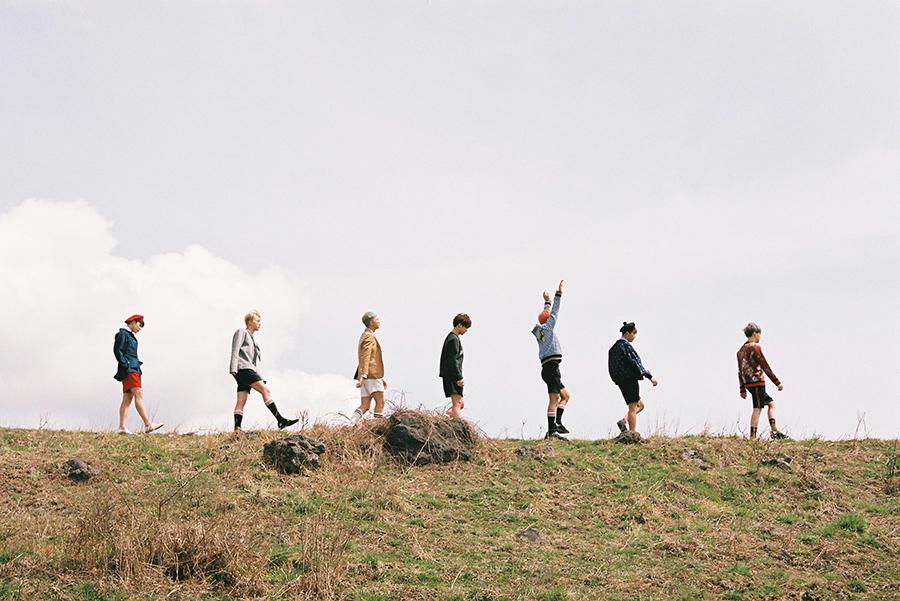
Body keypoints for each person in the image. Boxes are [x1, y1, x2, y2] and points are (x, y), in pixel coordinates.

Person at [229, 310, 299, 433]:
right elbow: (235, 350)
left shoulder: (254, 340)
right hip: (243, 369)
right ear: (250, 322)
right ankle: (280, 420)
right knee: (265, 391)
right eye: (257, 321)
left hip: (247, 370)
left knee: (241, 400)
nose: (259, 324)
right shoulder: (241, 332)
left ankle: (237, 430)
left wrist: (260, 377)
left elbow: (253, 362)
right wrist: (233, 369)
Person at [531, 280, 571, 440]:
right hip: (551, 367)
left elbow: (546, 314)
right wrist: (558, 293)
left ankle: (558, 423)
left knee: (565, 396)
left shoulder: (540, 329)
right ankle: (551, 430)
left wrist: (545, 301)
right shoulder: (548, 328)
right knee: (554, 399)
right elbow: (554, 312)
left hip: (550, 368)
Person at [113, 314, 163, 434]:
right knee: (138, 393)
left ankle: (122, 427)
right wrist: (126, 364)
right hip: (130, 368)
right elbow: (117, 350)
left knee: (128, 397)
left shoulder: (130, 336)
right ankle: (148, 424)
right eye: (139, 325)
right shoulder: (123, 334)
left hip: (133, 367)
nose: (140, 328)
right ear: (133, 322)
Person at [737, 322, 787, 439]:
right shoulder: (755, 347)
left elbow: (740, 371)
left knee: (771, 403)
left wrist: (742, 389)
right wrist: (777, 382)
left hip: (748, 383)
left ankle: (774, 431)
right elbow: (765, 365)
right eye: (760, 334)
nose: (760, 337)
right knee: (757, 407)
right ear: (755, 333)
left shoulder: (740, 351)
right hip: (757, 381)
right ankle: (753, 437)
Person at [608, 322, 657, 434]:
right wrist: (650, 377)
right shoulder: (626, 346)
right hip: (629, 380)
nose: (635, 336)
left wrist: (617, 379)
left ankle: (623, 421)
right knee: (632, 407)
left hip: (620, 381)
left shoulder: (613, 349)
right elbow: (635, 362)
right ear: (627, 333)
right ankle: (632, 433)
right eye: (634, 333)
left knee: (640, 405)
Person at [352, 312, 387, 423]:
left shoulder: (365, 334)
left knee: (365, 405)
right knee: (380, 402)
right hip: (370, 375)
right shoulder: (369, 336)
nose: (379, 321)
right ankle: (377, 426)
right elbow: (366, 356)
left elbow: (365, 357)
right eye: (377, 319)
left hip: (367, 375)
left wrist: (364, 375)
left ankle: (352, 423)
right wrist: (365, 374)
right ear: (371, 322)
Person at [440, 313, 472, 419]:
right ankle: (459, 431)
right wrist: (459, 377)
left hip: (450, 374)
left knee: (460, 403)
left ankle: (444, 417)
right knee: (457, 404)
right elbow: (454, 360)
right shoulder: (453, 339)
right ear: (459, 325)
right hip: (452, 375)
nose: (466, 330)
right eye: (465, 327)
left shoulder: (452, 338)